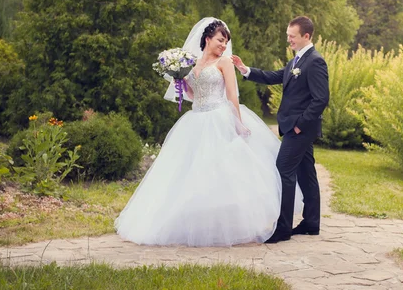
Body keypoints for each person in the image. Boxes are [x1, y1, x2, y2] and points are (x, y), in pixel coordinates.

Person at [115, 17, 287, 247]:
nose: (223, 45)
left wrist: (237, 122)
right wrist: (180, 79)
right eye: (220, 40)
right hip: (196, 119)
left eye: (225, 42)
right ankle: (193, 223)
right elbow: (194, 95)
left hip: (219, 117)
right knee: (188, 173)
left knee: (222, 173)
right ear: (207, 39)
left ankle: (230, 225)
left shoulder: (225, 63)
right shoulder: (192, 65)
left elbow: (232, 95)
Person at [232, 16, 329, 244]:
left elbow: (321, 99)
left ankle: (283, 228)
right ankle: (311, 223)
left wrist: (299, 125)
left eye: (292, 36)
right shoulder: (297, 60)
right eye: (288, 35)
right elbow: (276, 76)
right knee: (306, 173)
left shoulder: (315, 61)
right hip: (295, 128)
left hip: (299, 129)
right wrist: (246, 70)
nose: (289, 40)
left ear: (306, 36)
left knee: (283, 169)